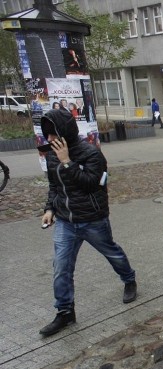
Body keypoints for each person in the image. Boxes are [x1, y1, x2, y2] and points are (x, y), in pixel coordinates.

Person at [39, 108, 137, 337]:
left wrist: (67, 162)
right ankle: (65, 312)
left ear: (65, 131)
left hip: (92, 219)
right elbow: (54, 186)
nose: (51, 140)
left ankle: (129, 279)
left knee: (112, 253)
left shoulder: (91, 154)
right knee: (61, 267)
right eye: (48, 135)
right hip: (65, 221)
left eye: (53, 134)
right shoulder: (52, 154)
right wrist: (49, 208)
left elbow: (91, 183)